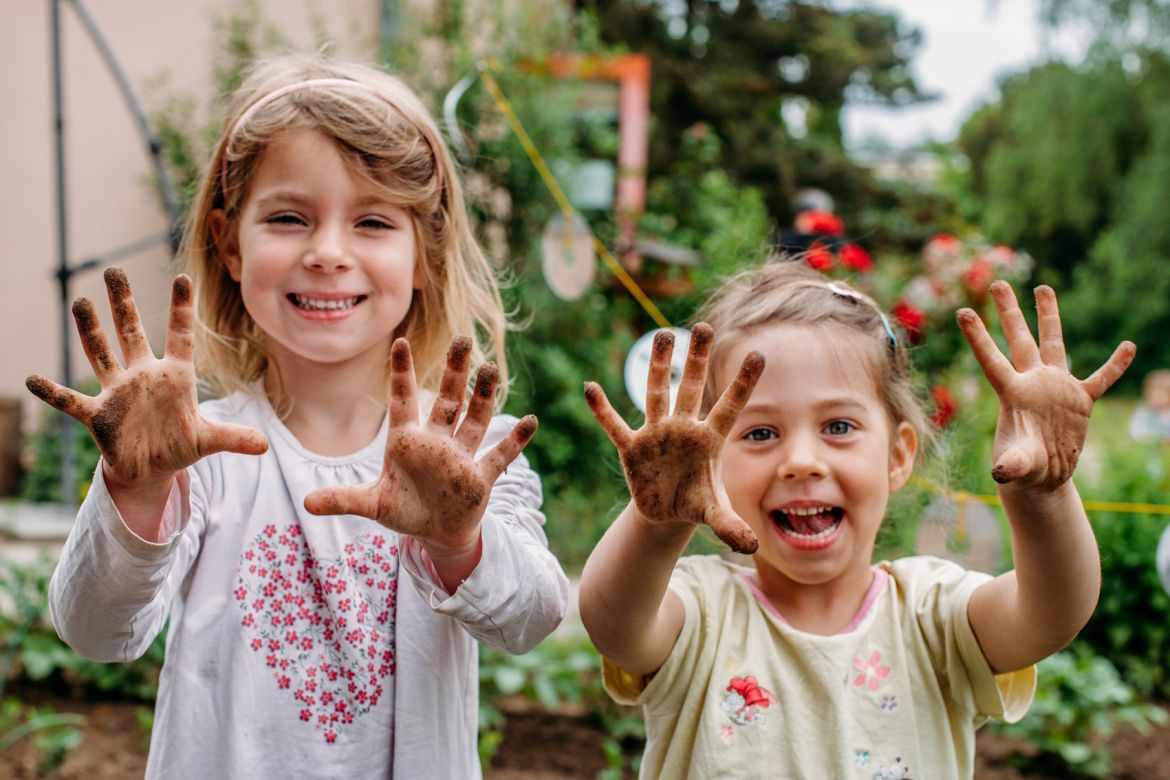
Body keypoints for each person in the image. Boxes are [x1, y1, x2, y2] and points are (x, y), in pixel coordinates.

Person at [26, 53, 568, 779]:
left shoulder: (472, 458)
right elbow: (96, 633)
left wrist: (458, 538)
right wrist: (136, 490)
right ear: (229, 242)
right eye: (288, 217)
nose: (327, 253)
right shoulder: (197, 456)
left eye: (373, 221)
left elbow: (529, 621)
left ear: (424, 252)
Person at [578, 260, 1134, 778]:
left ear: (897, 455)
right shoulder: (697, 613)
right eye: (760, 433)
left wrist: (1044, 496)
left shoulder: (931, 614)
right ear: (713, 464)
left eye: (838, 427)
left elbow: (1052, 612)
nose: (800, 462)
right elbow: (613, 625)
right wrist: (657, 523)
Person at [1128, 369, 1170, 443]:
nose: (1156, 398)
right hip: (1148, 443)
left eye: (1161, 395)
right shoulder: (1144, 413)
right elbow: (1135, 431)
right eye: (1152, 395)